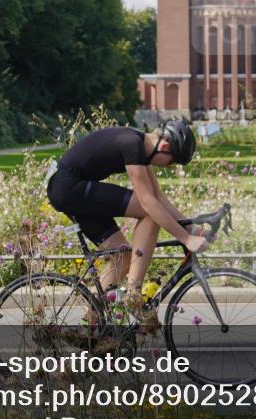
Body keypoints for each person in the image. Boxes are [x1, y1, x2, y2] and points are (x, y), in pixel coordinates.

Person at [46, 120, 208, 318]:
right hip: (68, 187)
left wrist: (189, 226)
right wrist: (186, 238)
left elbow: (158, 198)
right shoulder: (132, 143)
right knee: (149, 212)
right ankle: (134, 293)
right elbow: (148, 203)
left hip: (68, 190)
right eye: (172, 162)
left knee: (122, 257)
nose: (169, 167)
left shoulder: (141, 147)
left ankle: (89, 324)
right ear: (164, 147)